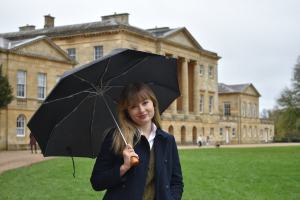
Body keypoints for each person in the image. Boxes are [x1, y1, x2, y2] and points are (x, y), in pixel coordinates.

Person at [90, 83, 184, 200]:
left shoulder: (167, 140)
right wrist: (124, 167)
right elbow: (97, 181)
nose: (141, 110)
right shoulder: (116, 138)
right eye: (133, 107)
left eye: (145, 103)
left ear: (153, 103)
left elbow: (176, 182)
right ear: (127, 112)